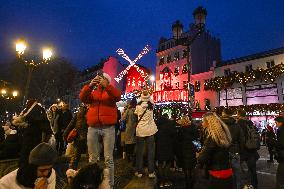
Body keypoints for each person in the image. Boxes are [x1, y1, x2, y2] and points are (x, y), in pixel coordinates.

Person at [80, 71, 121, 189]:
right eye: (99, 79)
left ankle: (110, 184)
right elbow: (83, 97)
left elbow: (118, 96)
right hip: (93, 127)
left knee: (108, 158)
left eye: (103, 79)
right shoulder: (93, 93)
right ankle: (93, 182)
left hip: (108, 127)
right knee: (92, 158)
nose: (100, 81)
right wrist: (90, 85)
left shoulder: (111, 91)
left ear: (107, 81)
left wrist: (107, 86)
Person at [12, 99, 53, 166]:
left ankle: (27, 166)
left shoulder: (33, 111)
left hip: (32, 136)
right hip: (34, 136)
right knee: (31, 152)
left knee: (28, 152)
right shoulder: (38, 110)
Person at [198, 112, 233, 189]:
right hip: (228, 170)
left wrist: (198, 155)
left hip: (216, 173)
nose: (202, 123)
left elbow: (203, 158)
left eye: (203, 121)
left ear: (208, 123)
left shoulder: (211, 139)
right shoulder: (224, 134)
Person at [134, 88, 158, 178]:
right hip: (150, 130)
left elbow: (136, 114)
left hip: (140, 131)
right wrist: (148, 95)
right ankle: (151, 172)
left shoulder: (138, 106)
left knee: (139, 152)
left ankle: (139, 171)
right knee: (151, 152)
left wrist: (142, 96)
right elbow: (150, 99)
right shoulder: (151, 105)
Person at [221, 108, 244, 189]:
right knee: (237, 173)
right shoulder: (236, 125)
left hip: (223, 151)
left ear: (224, 114)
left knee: (224, 173)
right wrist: (240, 151)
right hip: (235, 151)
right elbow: (241, 140)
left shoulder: (220, 126)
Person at [237, 109, 259, 189]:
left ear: (239, 114)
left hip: (243, 150)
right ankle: (254, 185)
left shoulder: (238, 123)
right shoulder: (250, 123)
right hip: (252, 149)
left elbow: (238, 137)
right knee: (252, 170)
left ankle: (244, 186)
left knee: (239, 170)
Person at [176, 115, 199, 189]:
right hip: (192, 150)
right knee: (192, 168)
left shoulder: (181, 130)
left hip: (184, 150)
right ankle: (192, 184)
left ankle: (188, 185)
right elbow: (196, 140)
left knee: (186, 169)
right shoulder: (194, 128)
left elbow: (178, 141)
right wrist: (198, 149)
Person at [63, 105, 88, 170]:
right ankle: (88, 173)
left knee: (75, 156)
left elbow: (71, 124)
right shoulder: (92, 112)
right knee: (89, 157)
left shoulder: (79, 112)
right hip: (89, 136)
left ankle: (71, 173)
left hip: (79, 137)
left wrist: (65, 134)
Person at [155, 113, 176, 187]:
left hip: (159, 146)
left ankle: (161, 181)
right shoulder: (169, 124)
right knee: (168, 163)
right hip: (168, 146)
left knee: (160, 163)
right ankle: (166, 180)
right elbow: (174, 134)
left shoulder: (156, 124)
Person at [121, 97, 137, 164]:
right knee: (134, 147)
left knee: (128, 146)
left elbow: (123, 119)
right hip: (136, 131)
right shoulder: (138, 110)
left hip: (129, 131)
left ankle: (128, 162)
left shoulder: (129, 110)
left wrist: (127, 109)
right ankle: (134, 161)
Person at [274, 116, 284, 189]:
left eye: (276, 122)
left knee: (280, 176)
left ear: (280, 123)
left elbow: (281, 144)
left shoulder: (281, 130)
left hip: (283, 157)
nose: (275, 124)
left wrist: (275, 143)